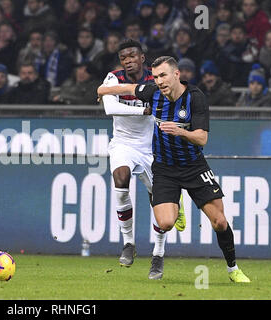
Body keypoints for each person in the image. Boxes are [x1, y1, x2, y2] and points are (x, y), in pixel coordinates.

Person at [97, 56, 251, 283]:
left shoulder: (195, 98)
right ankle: (176, 200)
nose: (159, 81)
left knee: (219, 221)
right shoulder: (152, 93)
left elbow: (202, 138)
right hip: (164, 170)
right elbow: (127, 87)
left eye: (163, 75)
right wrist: (102, 90)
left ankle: (233, 269)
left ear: (176, 74)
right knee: (166, 223)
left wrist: (181, 132)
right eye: (156, 76)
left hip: (194, 167)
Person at [97, 40, 185, 280]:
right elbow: (110, 108)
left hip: (151, 148)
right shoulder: (113, 78)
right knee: (120, 178)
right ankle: (128, 243)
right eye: (123, 57)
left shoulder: (155, 80)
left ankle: (158, 255)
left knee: (159, 204)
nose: (127, 60)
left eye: (132, 56)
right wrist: (144, 110)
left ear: (142, 57)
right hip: (123, 143)